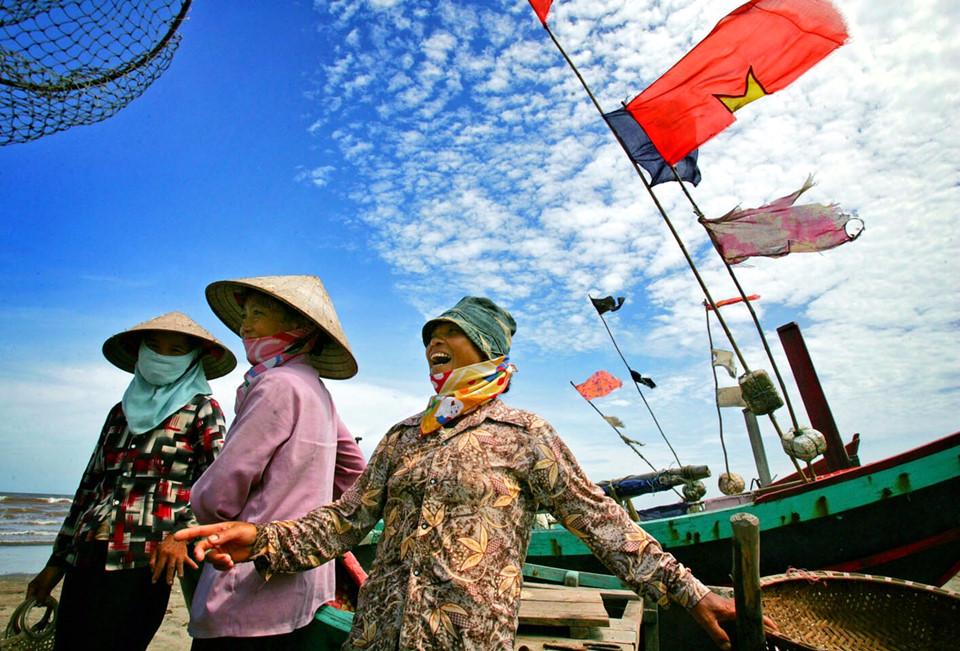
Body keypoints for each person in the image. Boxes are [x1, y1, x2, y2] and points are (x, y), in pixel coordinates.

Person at [177, 296, 770, 650]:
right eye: (429, 337)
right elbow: (342, 522)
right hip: (378, 637)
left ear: (487, 350)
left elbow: (603, 524)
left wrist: (691, 593)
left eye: (449, 333)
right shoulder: (404, 436)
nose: (433, 342)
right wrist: (261, 538)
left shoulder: (525, 434)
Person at [27, 311, 236, 651]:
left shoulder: (202, 411)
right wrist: (55, 564)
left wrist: (182, 536)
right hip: (87, 552)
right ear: (139, 352)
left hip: (146, 558)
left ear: (193, 359)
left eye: (175, 350)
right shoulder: (119, 413)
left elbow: (217, 488)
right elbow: (88, 488)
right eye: (154, 346)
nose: (162, 356)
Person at [187, 275, 366, 650]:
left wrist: (205, 507)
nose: (245, 326)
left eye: (258, 314)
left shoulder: (275, 385)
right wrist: (309, 511)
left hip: (248, 581)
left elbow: (219, 493)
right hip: (305, 584)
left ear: (298, 327)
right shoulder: (316, 389)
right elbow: (353, 472)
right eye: (245, 315)